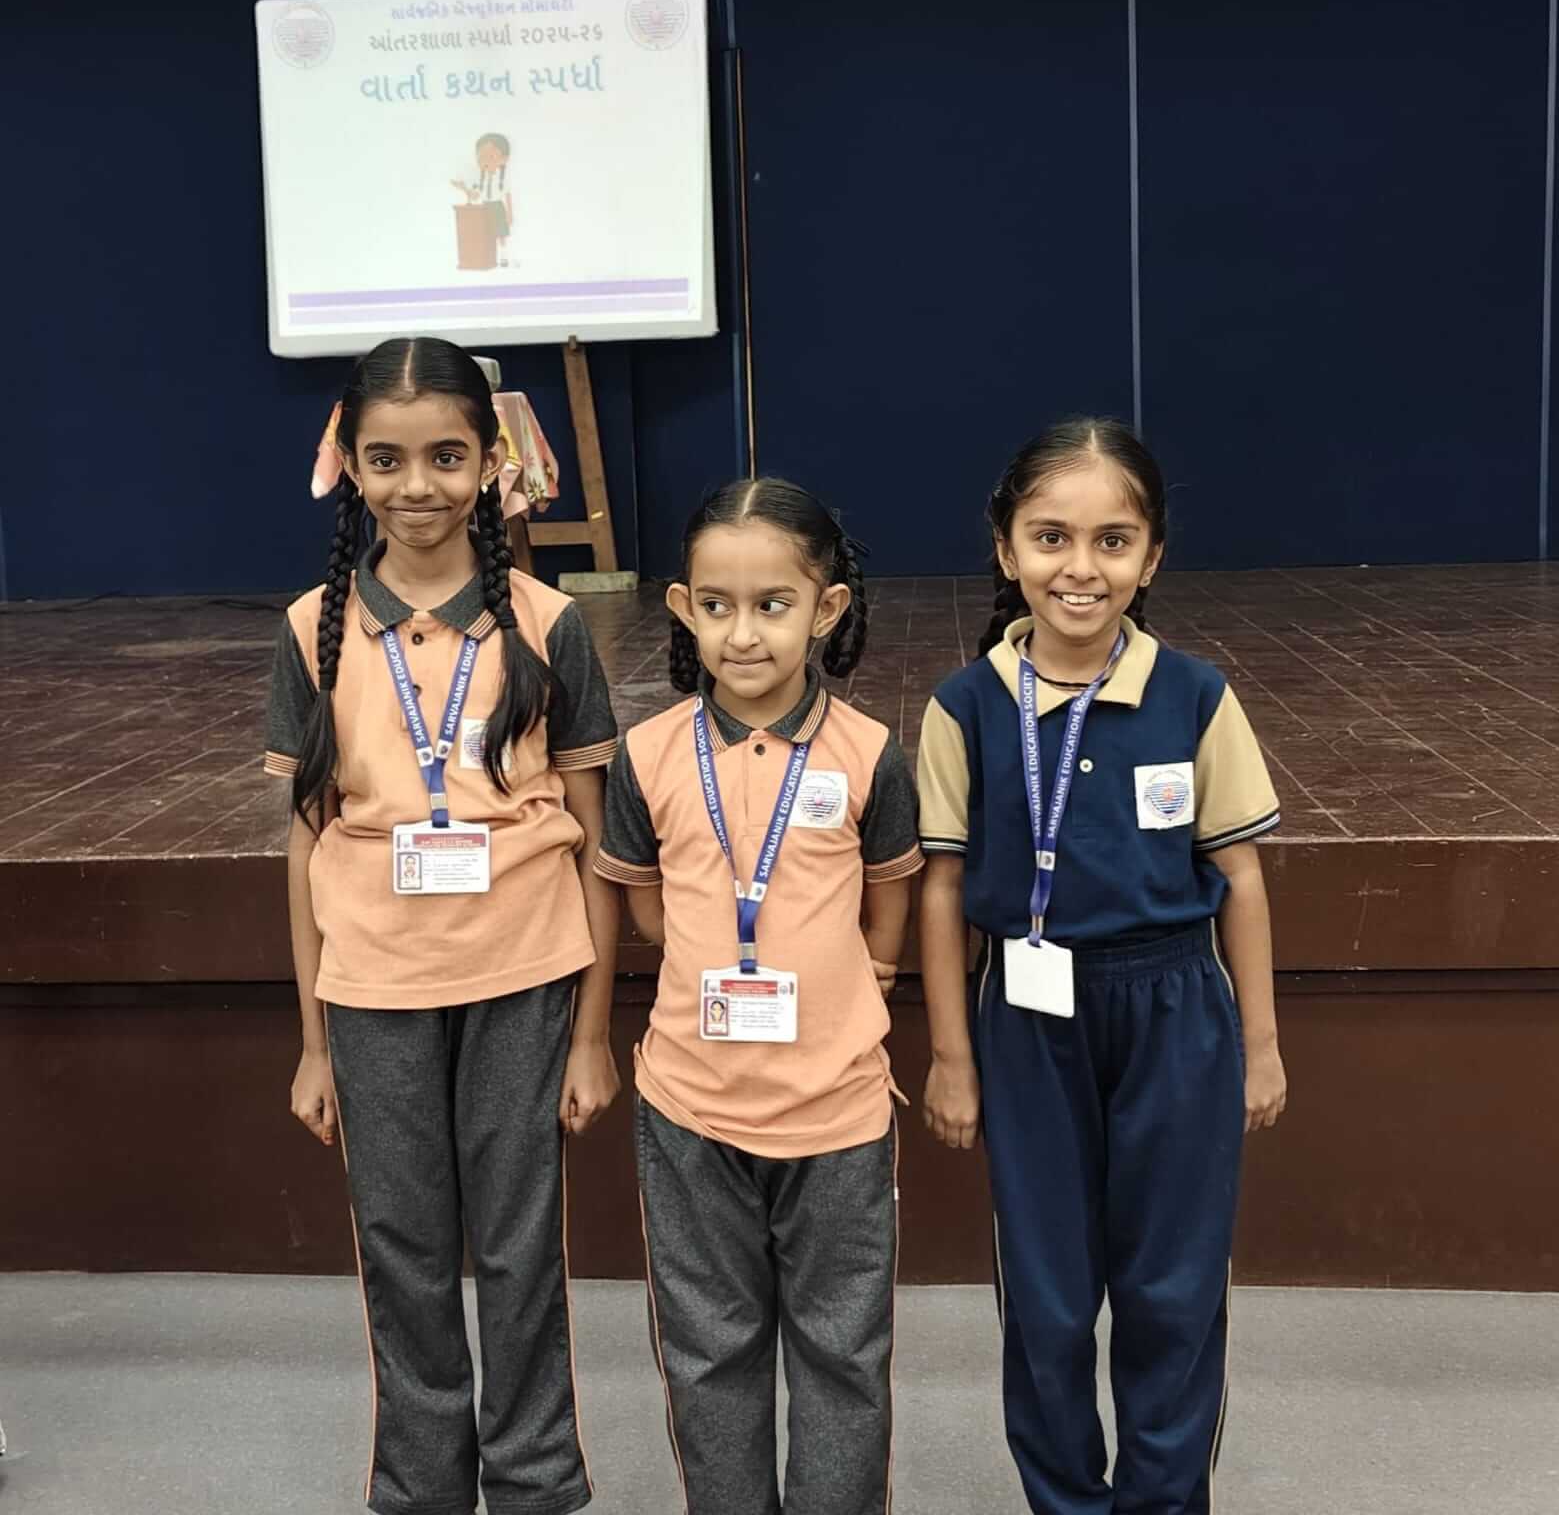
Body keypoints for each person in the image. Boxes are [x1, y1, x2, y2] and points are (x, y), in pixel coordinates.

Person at [264, 335, 620, 1515]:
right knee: (402, 1247)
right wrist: (312, 1041)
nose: (417, 485)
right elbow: (308, 843)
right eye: (387, 458)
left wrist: (589, 1033)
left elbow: (593, 836)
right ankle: (421, 1486)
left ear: (492, 461)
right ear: (348, 463)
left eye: (446, 456)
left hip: (524, 975)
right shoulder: (312, 628)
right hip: (372, 991)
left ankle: (533, 1481)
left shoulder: (549, 623)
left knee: (519, 1245)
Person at [915, 419, 1287, 1515]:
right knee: (1048, 1294)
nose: (1080, 568)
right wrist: (951, 1056)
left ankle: (1164, 1501)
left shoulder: (1196, 695)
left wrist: (1260, 1045)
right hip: (1026, 1016)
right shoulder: (964, 707)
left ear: (1152, 557)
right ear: (1005, 548)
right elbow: (941, 890)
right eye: (1051, 537)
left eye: (1112, 540)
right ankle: (1067, 1501)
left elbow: (1242, 879)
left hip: (1175, 1007)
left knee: (1174, 1287)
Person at [594, 478, 922, 1515]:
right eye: (717, 605)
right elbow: (645, 903)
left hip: (837, 1113)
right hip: (691, 1109)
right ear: (682, 608)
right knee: (708, 1352)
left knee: (842, 1353)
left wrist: (872, 973)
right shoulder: (648, 754)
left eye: (773, 604)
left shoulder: (870, 751)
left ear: (826, 608)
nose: (744, 633)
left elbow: (892, 887)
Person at [452, 133, 514, 267]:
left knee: (501, 233)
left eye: (491, 156)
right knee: (485, 232)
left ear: (504, 159)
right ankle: (485, 256)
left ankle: (503, 257)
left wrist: (509, 213)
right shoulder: (480, 177)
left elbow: (508, 195)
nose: (486, 161)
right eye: (482, 157)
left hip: (497, 206)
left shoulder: (502, 177)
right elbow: (475, 193)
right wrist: (466, 190)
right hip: (484, 207)